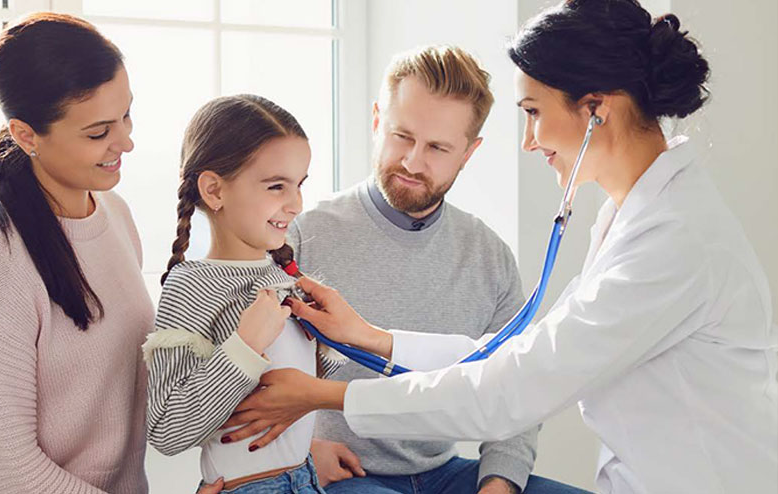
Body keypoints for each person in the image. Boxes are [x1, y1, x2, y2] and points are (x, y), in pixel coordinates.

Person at [220, 1, 778, 493]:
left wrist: (325, 396)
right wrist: (373, 338)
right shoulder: (636, 216)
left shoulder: (674, 241)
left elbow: (514, 387)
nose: (530, 141)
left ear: (595, 110)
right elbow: (514, 358)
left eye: (534, 112)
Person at [284, 45, 586, 494]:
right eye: (401, 136)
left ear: (469, 152)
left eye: (438, 148)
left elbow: (516, 392)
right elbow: (250, 373)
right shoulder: (302, 236)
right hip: (343, 473)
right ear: (375, 122)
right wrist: (303, 450)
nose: (412, 161)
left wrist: (498, 485)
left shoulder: (489, 257)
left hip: (449, 475)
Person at [0, 13, 152, 493]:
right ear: (26, 134)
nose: (126, 142)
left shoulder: (115, 215)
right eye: (98, 133)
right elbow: (4, 474)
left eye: (127, 115)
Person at [142, 94, 346, 493]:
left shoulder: (285, 277)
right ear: (214, 191)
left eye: (299, 185)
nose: (296, 204)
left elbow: (297, 394)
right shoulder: (190, 287)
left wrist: (331, 341)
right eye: (276, 186)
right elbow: (166, 430)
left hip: (306, 480)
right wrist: (245, 345)